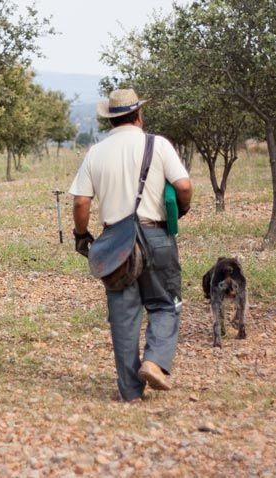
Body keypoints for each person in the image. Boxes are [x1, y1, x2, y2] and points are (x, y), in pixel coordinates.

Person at [69, 89, 193, 403]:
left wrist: (82, 236)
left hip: (115, 242)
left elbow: (81, 202)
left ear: (111, 120)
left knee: (123, 319)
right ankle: (154, 361)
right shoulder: (158, 144)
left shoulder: (96, 152)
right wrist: (181, 209)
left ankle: (130, 392)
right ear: (138, 115)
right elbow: (184, 186)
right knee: (166, 304)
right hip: (156, 235)